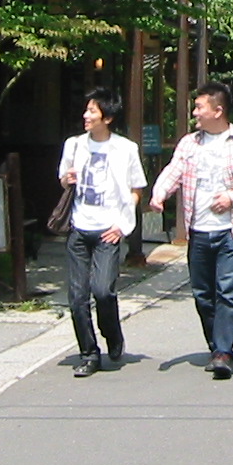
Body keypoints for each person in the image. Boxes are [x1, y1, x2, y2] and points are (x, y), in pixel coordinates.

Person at [150, 82, 233, 380]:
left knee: (227, 290)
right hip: (199, 231)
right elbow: (173, 170)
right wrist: (159, 193)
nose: (195, 113)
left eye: (199, 107)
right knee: (203, 293)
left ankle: (224, 352)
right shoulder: (190, 144)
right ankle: (216, 343)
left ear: (218, 111)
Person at [59, 87, 146, 378]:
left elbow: (136, 190)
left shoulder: (126, 149)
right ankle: (89, 353)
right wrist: (67, 179)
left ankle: (113, 336)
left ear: (107, 118)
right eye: (86, 110)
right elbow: (63, 180)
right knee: (76, 296)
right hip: (79, 227)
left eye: (92, 111)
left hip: (109, 229)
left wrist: (122, 225)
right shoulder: (74, 145)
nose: (86, 115)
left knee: (103, 291)